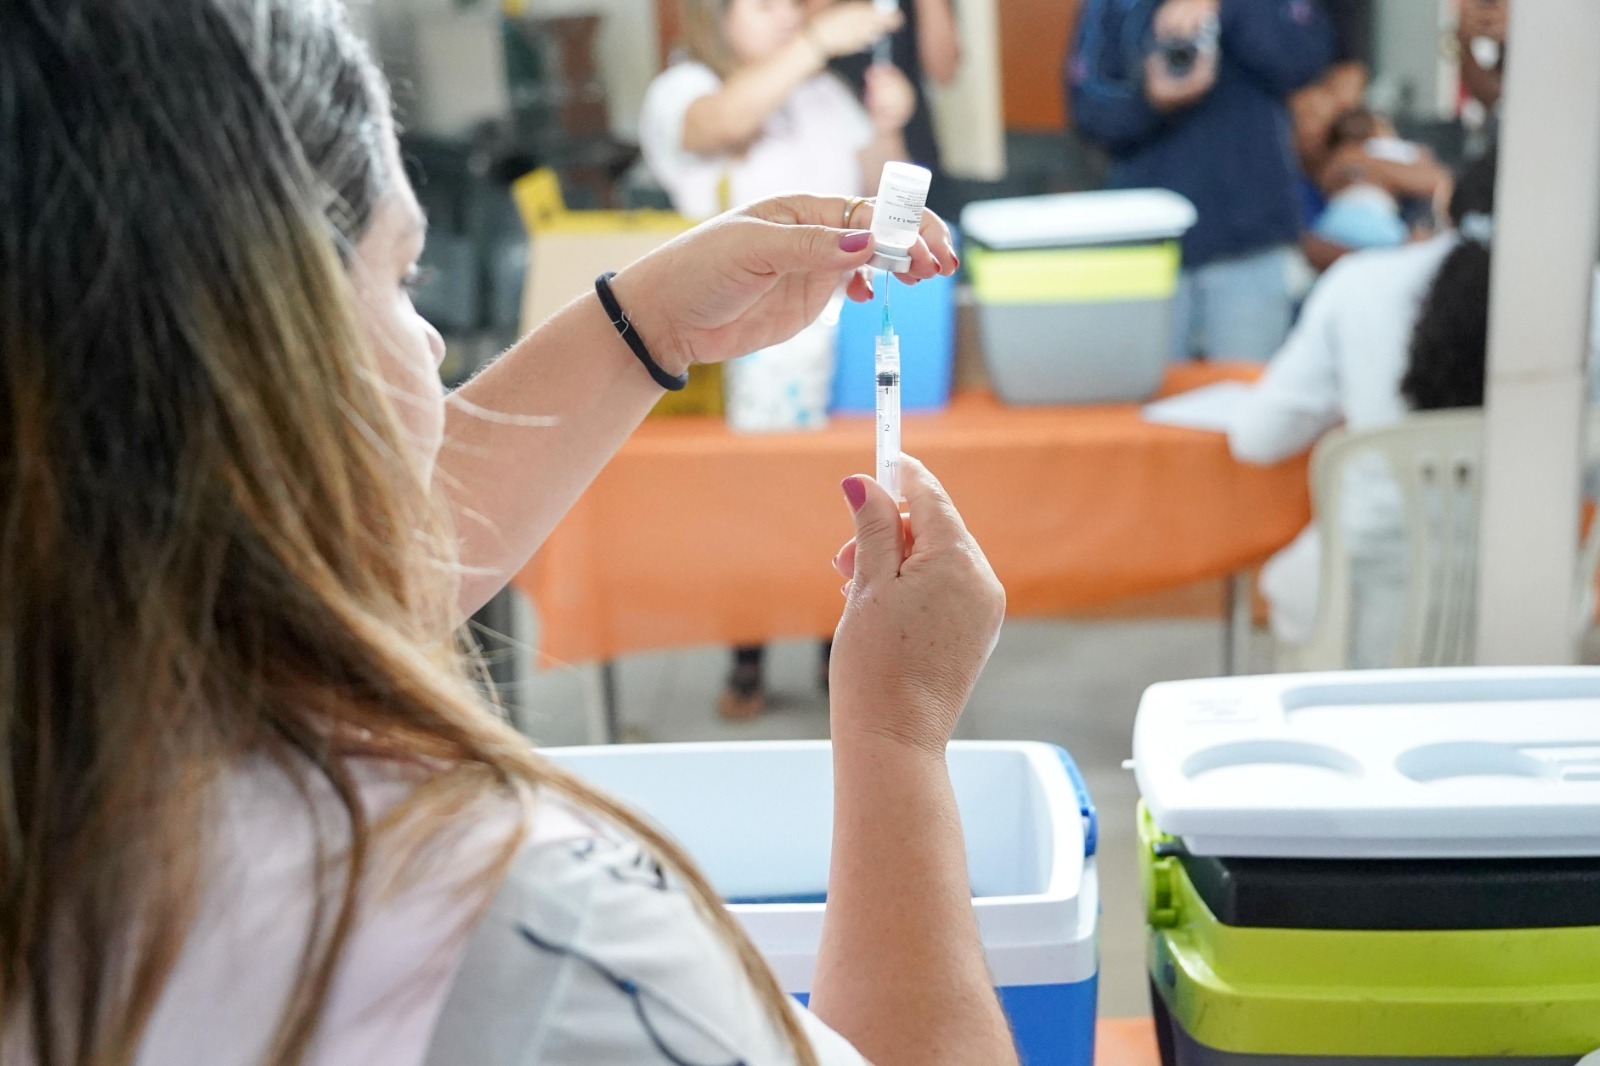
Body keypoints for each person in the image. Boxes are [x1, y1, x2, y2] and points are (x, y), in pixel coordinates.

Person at [0, 2, 1015, 1065]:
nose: (434, 342)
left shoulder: (72, 775)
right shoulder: (530, 943)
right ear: (269, 353)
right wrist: (897, 737)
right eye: (403, 276)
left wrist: (656, 320)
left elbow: (306, 566)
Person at [642, 0, 918, 721]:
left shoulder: (822, 91)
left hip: (838, 328)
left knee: (838, 495)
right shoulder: (686, 89)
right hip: (741, 343)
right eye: (763, 5)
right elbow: (719, 125)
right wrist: (820, 39)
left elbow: (875, 181)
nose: (786, 16)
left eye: (792, 5)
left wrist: (889, 122)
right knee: (754, 505)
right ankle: (748, 659)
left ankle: (836, 653)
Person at [1230, 152, 1600, 667]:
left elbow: (1258, 438)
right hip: (1532, 612)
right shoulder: (1587, 302)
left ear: (1445, 203)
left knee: (1291, 583)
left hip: (1367, 612)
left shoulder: (1359, 284)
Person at [1068, 0, 1335, 361]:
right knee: (1145, 394)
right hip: (1147, 250)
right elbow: (1088, 112)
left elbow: (1307, 59)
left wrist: (1222, 6)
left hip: (1252, 245)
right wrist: (1150, 100)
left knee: (1247, 391)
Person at [811, 0, 961, 217]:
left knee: (910, 222)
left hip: (908, 139)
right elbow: (791, 42)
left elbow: (945, 72)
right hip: (825, 145)